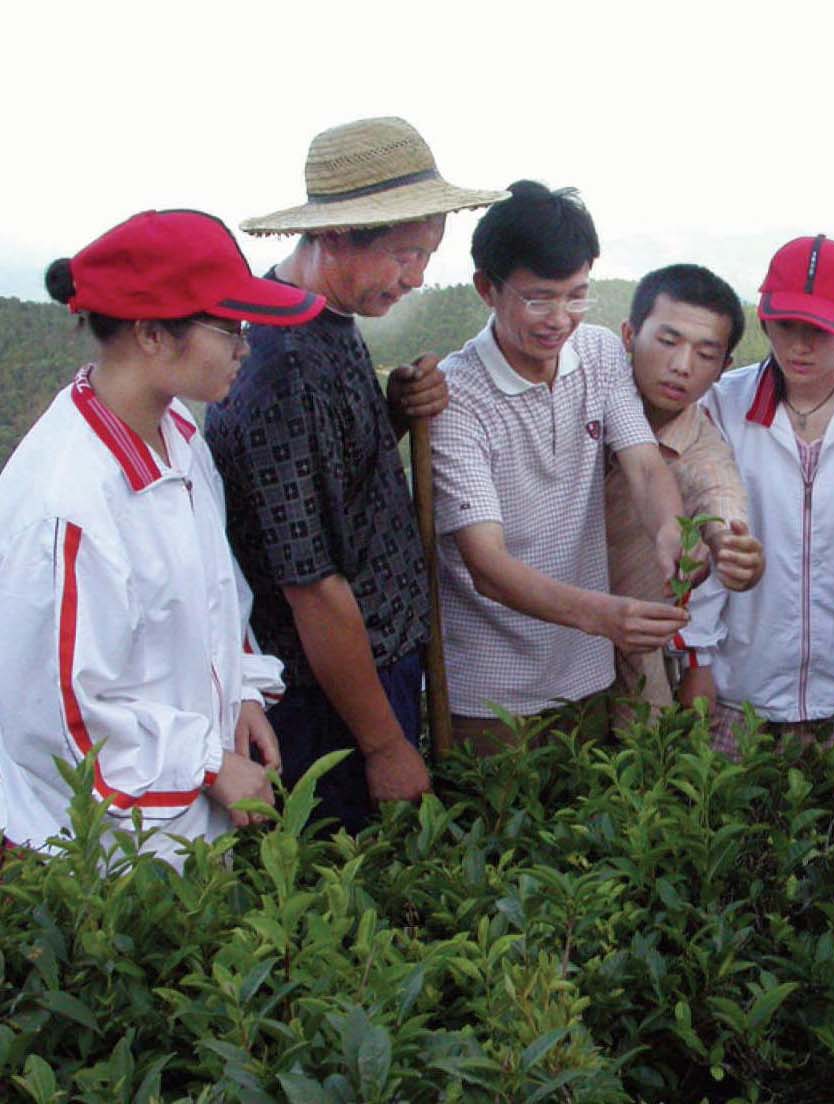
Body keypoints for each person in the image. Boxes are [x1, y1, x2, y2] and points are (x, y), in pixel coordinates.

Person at [205, 117, 506, 833]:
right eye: (405, 254)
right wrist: (385, 745)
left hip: (372, 676)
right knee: (349, 885)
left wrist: (394, 413)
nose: (417, 277)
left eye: (428, 253)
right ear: (335, 236)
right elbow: (313, 586)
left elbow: (325, 482)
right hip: (329, 706)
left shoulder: (321, 319)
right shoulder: (282, 369)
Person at [0, 210, 326, 866]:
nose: (244, 346)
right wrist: (208, 763)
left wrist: (240, 691)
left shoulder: (175, 432)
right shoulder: (68, 504)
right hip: (99, 858)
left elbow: (212, 588)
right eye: (228, 326)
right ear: (151, 333)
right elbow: (56, 719)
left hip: (185, 835)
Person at [431, 182, 693, 753]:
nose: (560, 319)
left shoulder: (598, 353)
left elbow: (645, 467)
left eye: (577, 295)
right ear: (487, 289)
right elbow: (487, 566)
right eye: (539, 298)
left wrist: (673, 531)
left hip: (586, 672)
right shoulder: (457, 398)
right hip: (491, 691)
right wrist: (606, 618)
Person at [700, 235, 834, 757]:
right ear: (764, 319)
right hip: (737, 679)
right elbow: (700, 546)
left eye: (821, 329)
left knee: (832, 827)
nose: (801, 345)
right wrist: (697, 660)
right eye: (786, 325)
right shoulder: (723, 406)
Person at [607, 264, 764, 720]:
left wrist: (736, 553)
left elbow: (722, 501)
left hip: (631, 666)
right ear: (629, 333)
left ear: (723, 368)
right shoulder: (575, 394)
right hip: (526, 647)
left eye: (705, 353)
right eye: (668, 341)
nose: (681, 366)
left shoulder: (703, 448)